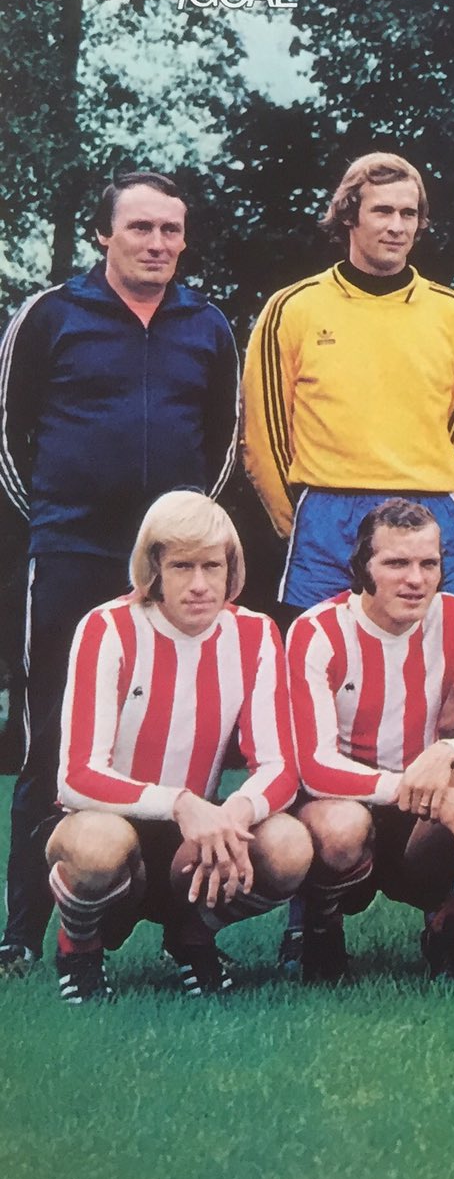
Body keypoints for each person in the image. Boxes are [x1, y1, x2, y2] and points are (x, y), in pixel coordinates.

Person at [0, 172, 240, 974]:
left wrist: (180, 538)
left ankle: (177, 917)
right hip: (69, 551)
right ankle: (22, 931)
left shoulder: (207, 324)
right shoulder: (51, 315)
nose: (157, 244)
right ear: (104, 234)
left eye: (171, 230)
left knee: (176, 730)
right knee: (50, 733)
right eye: (140, 228)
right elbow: (8, 434)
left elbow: (223, 442)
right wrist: (52, 517)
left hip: (170, 568)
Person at [44, 492, 306, 1001]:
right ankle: (79, 946)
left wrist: (235, 813)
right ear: (154, 569)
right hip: (107, 818)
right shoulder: (108, 627)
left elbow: (280, 767)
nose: (200, 584)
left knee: (289, 845)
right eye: (183, 566)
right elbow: (76, 776)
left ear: (231, 569)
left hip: (196, 837)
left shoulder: (254, 633)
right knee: (99, 845)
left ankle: (192, 938)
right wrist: (181, 803)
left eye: (213, 566)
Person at [286, 500, 454, 981]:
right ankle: (319, 927)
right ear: (363, 567)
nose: (416, 580)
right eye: (397, 563)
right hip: (345, 804)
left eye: (429, 564)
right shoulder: (317, 630)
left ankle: (449, 925)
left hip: (420, 817)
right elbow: (314, 766)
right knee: (340, 828)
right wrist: (422, 793)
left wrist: (446, 751)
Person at [242, 153, 454, 612]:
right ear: (349, 215)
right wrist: (297, 520)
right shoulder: (292, 308)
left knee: (437, 651)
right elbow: (264, 435)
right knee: (318, 650)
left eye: (408, 213)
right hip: (327, 515)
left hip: (427, 511)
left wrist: (425, 511)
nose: (397, 226)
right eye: (382, 211)